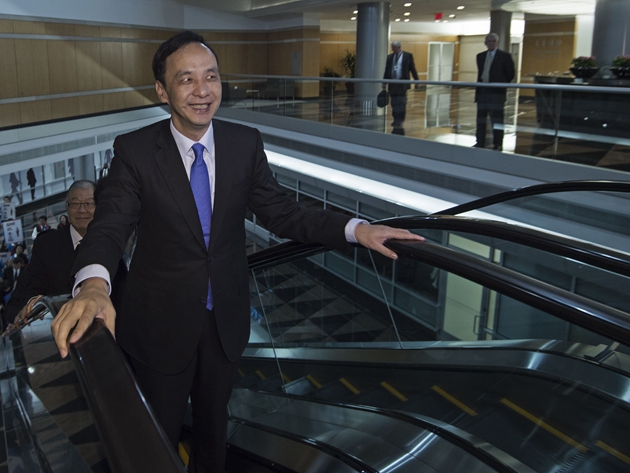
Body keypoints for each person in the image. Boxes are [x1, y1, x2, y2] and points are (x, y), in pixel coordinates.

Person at [50, 30, 422, 473]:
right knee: (154, 439)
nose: (203, 91)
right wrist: (94, 284)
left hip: (224, 323)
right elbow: (110, 224)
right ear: (162, 91)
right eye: (187, 79)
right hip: (160, 327)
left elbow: (282, 212)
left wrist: (355, 228)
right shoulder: (135, 151)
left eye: (211, 76)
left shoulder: (244, 143)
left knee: (213, 434)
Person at [4, 180, 127, 325]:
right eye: (75, 204)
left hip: (109, 326)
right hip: (60, 328)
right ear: (67, 208)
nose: (82, 210)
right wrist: (33, 304)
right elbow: (33, 284)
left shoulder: (113, 241)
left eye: (89, 203)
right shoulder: (46, 244)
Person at [474, 33, 515, 151]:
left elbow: (510, 74)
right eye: (489, 41)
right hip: (482, 92)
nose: (491, 43)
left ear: (497, 42)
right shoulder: (480, 56)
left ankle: (497, 143)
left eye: (493, 41)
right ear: (485, 43)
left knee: (496, 119)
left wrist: (500, 84)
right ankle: (480, 141)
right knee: (481, 119)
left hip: (496, 93)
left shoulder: (504, 56)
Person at [382, 41, 419, 128]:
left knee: (401, 102)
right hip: (392, 83)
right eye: (392, 47)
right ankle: (395, 119)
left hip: (402, 83)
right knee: (394, 102)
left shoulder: (407, 56)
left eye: (394, 47)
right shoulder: (390, 57)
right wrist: (384, 82)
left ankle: (400, 119)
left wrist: (416, 81)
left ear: (399, 47)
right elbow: (387, 70)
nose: (392, 49)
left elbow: (412, 69)